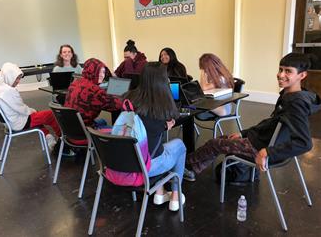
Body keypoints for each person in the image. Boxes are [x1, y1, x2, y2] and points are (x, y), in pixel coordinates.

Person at [187, 53, 320, 175]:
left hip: (260, 147)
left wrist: (268, 152)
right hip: (259, 140)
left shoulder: (295, 103)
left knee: (214, 144)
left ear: (302, 75)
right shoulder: (289, 95)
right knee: (220, 140)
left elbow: (304, 143)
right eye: (280, 69)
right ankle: (192, 167)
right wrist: (243, 133)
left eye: (288, 71)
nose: (280, 75)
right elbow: (272, 123)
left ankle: (187, 167)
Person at [125, 62, 186, 211]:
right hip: (147, 167)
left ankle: (160, 192)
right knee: (179, 146)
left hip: (125, 164)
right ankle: (176, 197)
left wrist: (162, 127)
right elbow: (171, 118)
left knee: (156, 146)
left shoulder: (129, 99)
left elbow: (147, 127)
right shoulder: (163, 105)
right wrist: (165, 126)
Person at [0, 63, 61, 150]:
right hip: (20, 122)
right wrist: (33, 111)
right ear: (9, 76)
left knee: (39, 116)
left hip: (9, 123)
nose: (18, 81)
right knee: (51, 115)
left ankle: (48, 137)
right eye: (17, 78)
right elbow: (23, 110)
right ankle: (63, 142)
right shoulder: (9, 91)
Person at [64, 58, 122, 127]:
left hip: (70, 127)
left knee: (102, 121)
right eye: (99, 72)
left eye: (103, 72)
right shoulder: (95, 90)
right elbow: (117, 105)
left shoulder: (74, 83)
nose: (102, 75)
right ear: (91, 71)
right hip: (85, 130)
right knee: (116, 130)